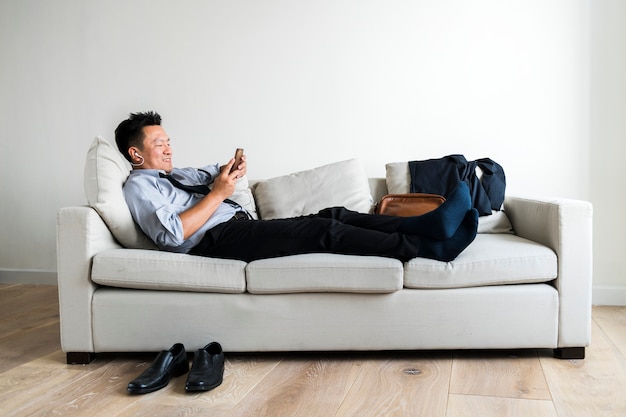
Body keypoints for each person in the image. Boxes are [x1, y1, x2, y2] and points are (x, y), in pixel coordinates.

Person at [115, 111, 478, 263]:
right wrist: (218, 194)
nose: (168, 148)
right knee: (322, 230)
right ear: (136, 153)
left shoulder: (172, 175)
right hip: (215, 242)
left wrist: (230, 169)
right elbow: (173, 233)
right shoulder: (139, 187)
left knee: (333, 214)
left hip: (237, 228)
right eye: (159, 144)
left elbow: (209, 174)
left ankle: (424, 225)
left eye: (168, 141)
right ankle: (426, 248)